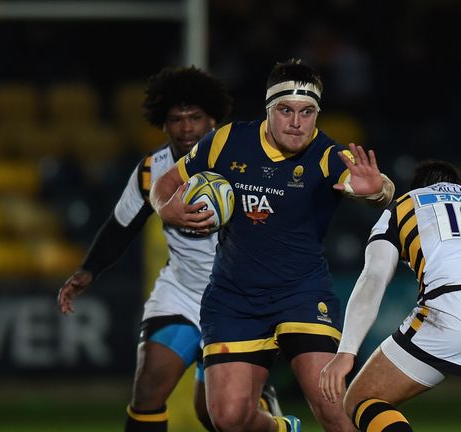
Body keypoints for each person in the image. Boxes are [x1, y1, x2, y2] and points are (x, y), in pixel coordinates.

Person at [150, 58, 396, 432]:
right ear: (268, 110)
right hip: (234, 298)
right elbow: (163, 184)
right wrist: (169, 211)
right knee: (228, 419)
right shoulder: (227, 141)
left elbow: (383, 189)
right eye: (286, 110)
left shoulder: (328, 156)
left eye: (307, 112)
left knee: (333, 406)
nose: (297, 122)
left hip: (301, 293)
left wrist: (378, 191)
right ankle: (283, 428)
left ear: (317, 113)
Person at [56, 66, 282, 432]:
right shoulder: (152, 170)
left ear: (213, 119)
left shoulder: (247, 163)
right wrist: (88, 270)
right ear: (163, 123)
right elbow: (121, 225)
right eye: (176, 119)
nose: (186, 127)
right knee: (147, 391)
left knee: (214, 416)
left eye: (195, 117)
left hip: (238, 301)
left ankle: (275, 420)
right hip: (182, 292)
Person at [319, 160, 461, 432]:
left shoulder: (405, 204)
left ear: (420, 187)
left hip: (454, 301)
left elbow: (373, 278)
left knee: (362, 399)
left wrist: (347, 352)